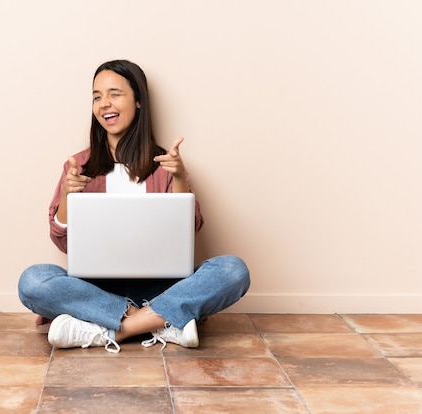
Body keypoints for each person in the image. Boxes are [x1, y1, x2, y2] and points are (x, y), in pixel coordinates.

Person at [18, 59, 250, 353]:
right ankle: (162, 322)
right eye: (97, 96)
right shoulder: (79, 165)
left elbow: (185, 234)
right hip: (96, 289)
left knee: (233, 270)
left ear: (138, 101)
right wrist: (67, 195)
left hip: (162, 287)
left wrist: (178, 177)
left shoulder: (166, 164)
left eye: (115, 93)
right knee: (33, 281)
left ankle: (106, 330)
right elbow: (62, 242)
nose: (104, 104)